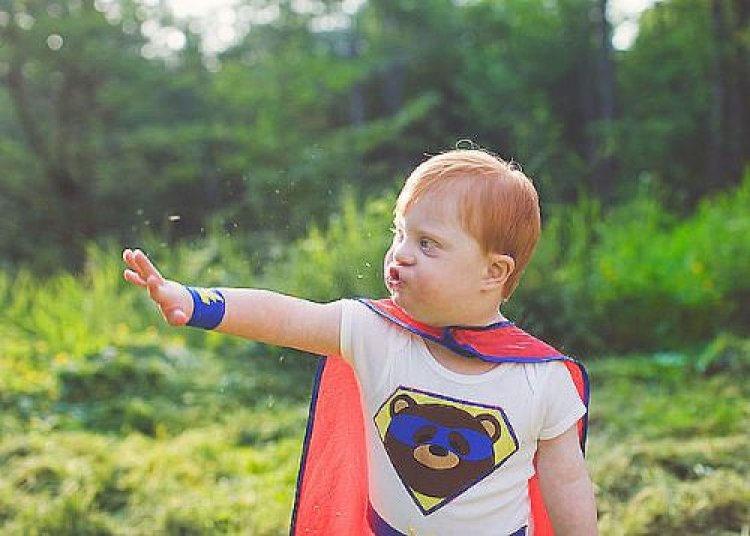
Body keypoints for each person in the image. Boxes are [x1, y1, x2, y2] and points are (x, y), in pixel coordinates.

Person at [122, 149, 598, 536]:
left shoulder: (541, 377)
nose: (400, 254)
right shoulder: (373, 333)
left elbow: (567, 481)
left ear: (493, 272)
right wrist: (195, 301)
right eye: (400, 234)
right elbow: (285, 317)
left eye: (427, 243)